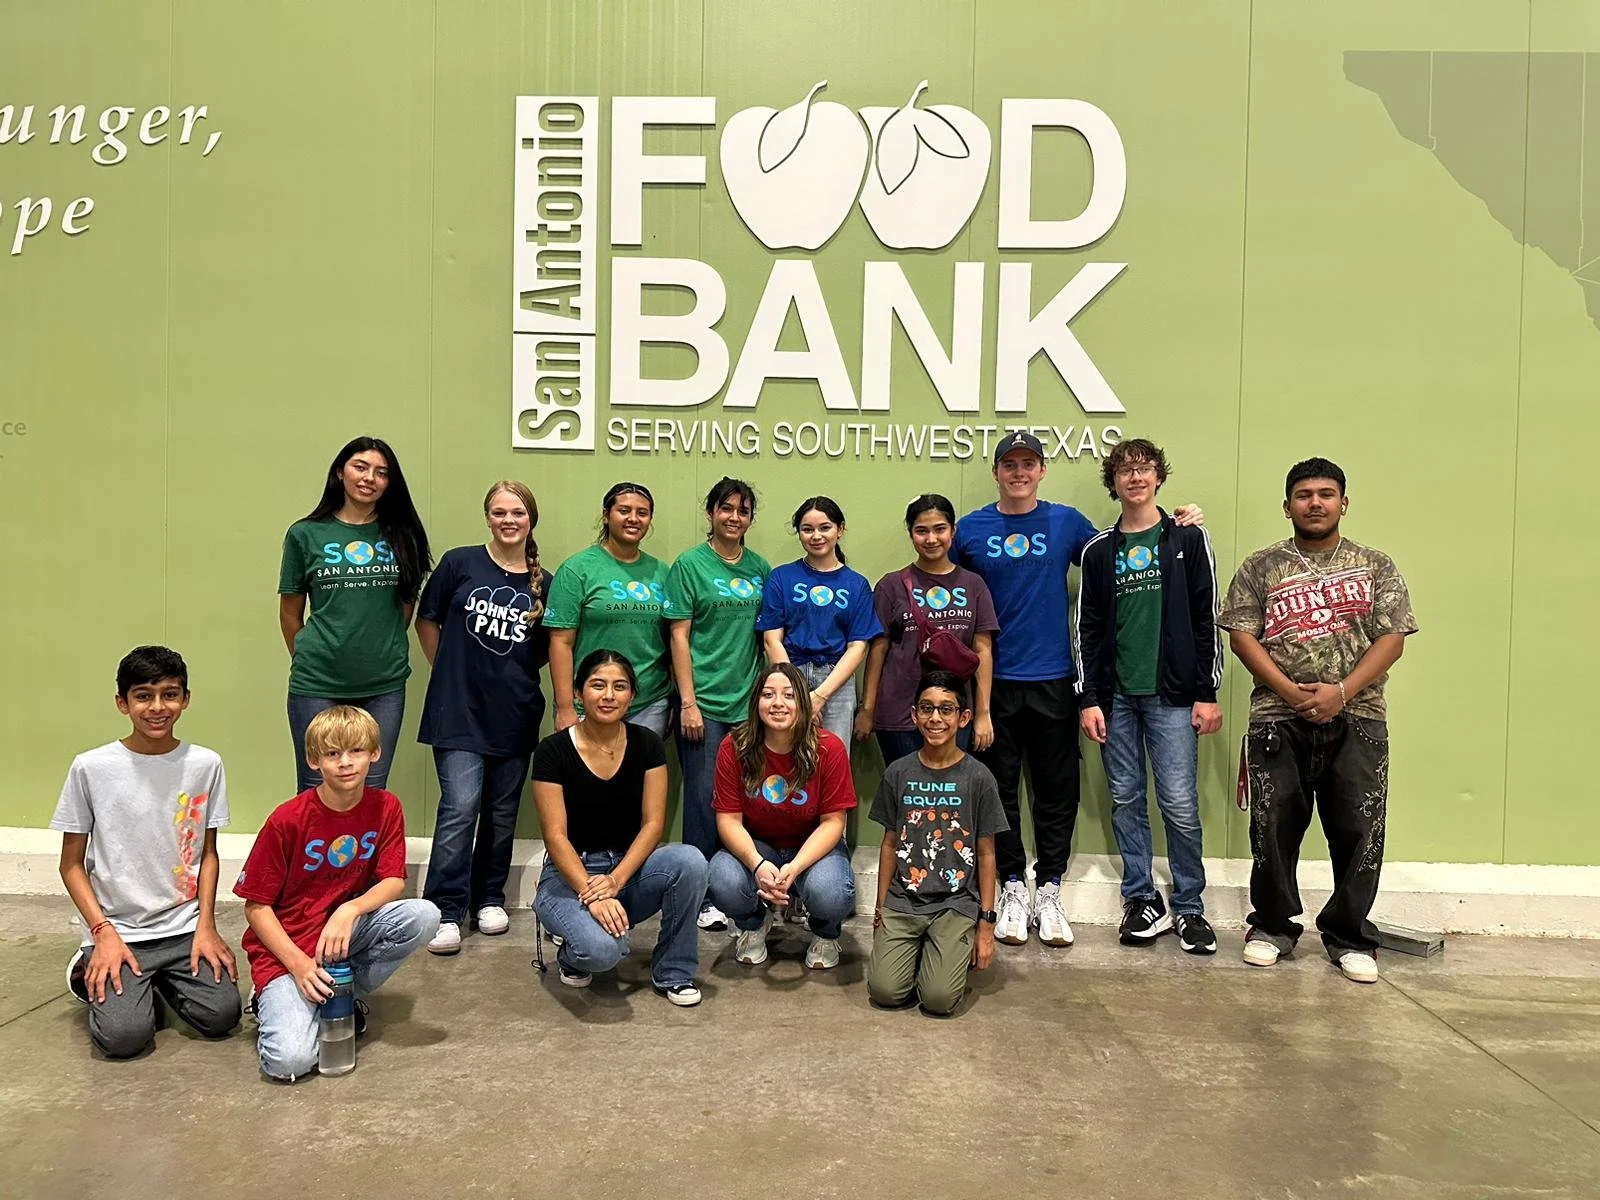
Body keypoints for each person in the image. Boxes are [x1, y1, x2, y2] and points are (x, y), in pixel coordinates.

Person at [952, 431, 1202, 948]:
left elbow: (1122, 548)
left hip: (1056, 680)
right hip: (992, 685)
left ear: (1042, 471)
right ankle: (1013, 886)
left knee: (1055, 792)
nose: (1019, 472)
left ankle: (1049, 887)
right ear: (995, 472)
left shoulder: (1068, 524)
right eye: (1009, 464)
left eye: (1029, 463)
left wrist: (1179, 527)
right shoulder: (971, 529)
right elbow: (945, 579)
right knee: (999, 793)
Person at [1218, 457, 1416, 984]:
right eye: (1303, 495)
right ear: (1287, 506)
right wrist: (1290, 692)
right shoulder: (1261, 567)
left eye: (1326, 494)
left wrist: (1343, 692)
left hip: (1361, 717)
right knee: (1273, 827)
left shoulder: (1376, 566)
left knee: (1359, 829)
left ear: (1343, 503)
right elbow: (1242, 636)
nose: (1315, 503)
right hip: (1276, 719)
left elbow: (1391, 638)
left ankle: (1350, 935)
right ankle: (1273, 927)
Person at [50, 646, 240, 1059]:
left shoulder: (206, 764)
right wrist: (101, 933)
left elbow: (208, 854)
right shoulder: (91, 767)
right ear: (122, 703)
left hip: (184, 927)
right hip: (117, 929)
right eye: (143, 695)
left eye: (170, 694)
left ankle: (155, 982)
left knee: (222, 1016)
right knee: (124, 1039)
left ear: (186, 699)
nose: (158, 707)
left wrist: (206, 925)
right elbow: (71, 864)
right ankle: (90, 968)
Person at [235, 706, 440, 1081]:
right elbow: (256, 906)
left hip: (343, 937)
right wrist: (298, 966)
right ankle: (271, 998)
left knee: (424, 915)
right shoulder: (287, 820)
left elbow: (393, 881)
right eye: (332, 754)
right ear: (314, 761)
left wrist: (349, 910)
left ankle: (338, 994)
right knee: (290, 1062)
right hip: (289, 949)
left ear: (374, 753)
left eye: (356, 751)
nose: (346, 763)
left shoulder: (386, 807)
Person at [1075, 439, 1223, 955]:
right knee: (1126, 799)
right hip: (1115, 698)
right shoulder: (1099, 551)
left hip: (1176, 696)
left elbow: (1208, 618)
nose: (1135, 478)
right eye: (1124, 471)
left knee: (1179, 803)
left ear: (1159, 478)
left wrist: (1207, 692)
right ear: (1113, 482)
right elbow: (1086, 630)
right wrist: (1088, 698)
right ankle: (1140, 899)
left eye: (1144, 469)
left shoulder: (1186, 536)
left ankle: (1190, 908)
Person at [415, 480, 552, 956]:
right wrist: (448, 671)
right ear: (487, 517)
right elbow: (426, 621)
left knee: (500, 812)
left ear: (530, 519)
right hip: (457, 713)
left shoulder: (544, 583)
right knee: (459, 808)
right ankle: (444, 909)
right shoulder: (459, 563)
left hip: (514, 713)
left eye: (517, 512)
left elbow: (538, 653)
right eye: (499, 512)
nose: (508, 520)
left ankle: (489, 897)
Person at [530, 650, 708, 1006]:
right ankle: (571, 953)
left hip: (627, 871)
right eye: (598, 685)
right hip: (569, 875)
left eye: (619, 687)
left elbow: (653, 824)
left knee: (690, 861)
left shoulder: (647, 744)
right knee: (603, 954)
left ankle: (674, 972)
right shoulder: (552, 751)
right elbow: (555, 835)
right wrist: (591, 891)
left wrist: (615, 881)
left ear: (631, 696)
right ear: (578, 693)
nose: (608, 695)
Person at [279, 436, 432, 792]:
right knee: (316, 785)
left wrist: (380, 643)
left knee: (372, 785)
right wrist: (309, 656)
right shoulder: (305, 534)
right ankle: (311, 851)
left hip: (384, 684)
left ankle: (365, 852)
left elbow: (405, 604)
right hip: (316, 683)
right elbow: (290, 613)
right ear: (340, 472)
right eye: (360, 467)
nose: (369, 478)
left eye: (381, 472)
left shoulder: (403, 534)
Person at [666, 477, 772, 933]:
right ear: (710, 512)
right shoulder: (688, 565)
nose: (734, 517)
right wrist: (687, 702)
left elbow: (767, 638)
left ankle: (739, 889)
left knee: (744, 801)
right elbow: (678, 635)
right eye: (725, 508)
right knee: (704, 801)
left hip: (748, 706)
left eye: (743, 511)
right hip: (703, 705)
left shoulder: (760, 568)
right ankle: (703, 895)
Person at [867, 672, 1006, 1017]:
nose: (936, 719)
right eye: (927, 709)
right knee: (884, 991)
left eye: (946, 710)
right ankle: (914, 955)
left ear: (964, 718)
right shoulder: (898, 773)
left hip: (955, 903)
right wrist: (881, 906)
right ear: (914, 715)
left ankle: (941, 956)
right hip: (904, 899)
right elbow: (888, 844)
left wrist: (986, 925)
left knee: (938, 1001)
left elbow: (987, 853)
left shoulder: (979, 778)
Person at [707, 663, 858, 970]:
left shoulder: (829, 748)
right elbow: (728, 820)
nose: (778, 703)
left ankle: (825, 932)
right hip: (759, 845)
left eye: (789, 695)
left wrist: (795, 867)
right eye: (768, 695)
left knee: (832, 893)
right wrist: (757, 863)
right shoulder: (734, 746)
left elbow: (833, 823)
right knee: (720, 877)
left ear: (803, 703)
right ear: (756, 703)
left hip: (812, 849)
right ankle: (753, 923)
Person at [857, 493, 998, 765]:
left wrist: (983, 713)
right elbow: (878, 650)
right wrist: (868, 709)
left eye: (940, 529)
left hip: (954, 712)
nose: (931, 539)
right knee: (905, 794)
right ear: (911, 534)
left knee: (950, 796)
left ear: (953, 531)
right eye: (921, 531)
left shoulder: (974, 585)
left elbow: (983, 650)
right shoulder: (891, 585)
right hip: (899, 713)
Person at [545, 482, 673, 739]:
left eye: (642, 513)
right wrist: (565, 706)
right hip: (591, 704)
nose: (633, 519)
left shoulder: (663, 572)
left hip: (649, 704)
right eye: (624, 510)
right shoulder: (576, 569)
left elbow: (672, 641)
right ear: (606, 515)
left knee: (640, 779)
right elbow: (560, 642)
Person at [757, 496, 881, 746]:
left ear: (840, 529)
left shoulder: (857, 585)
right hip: (788, 676)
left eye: (825, 528)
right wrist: (798, 694)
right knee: (786, 757)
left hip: (837, 680)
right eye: (807, 529)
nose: (816, 536)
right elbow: (771, 641)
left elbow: (858, 648)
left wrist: (820, 696)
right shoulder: (781, 577)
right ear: (799, 533)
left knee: (833, 758)